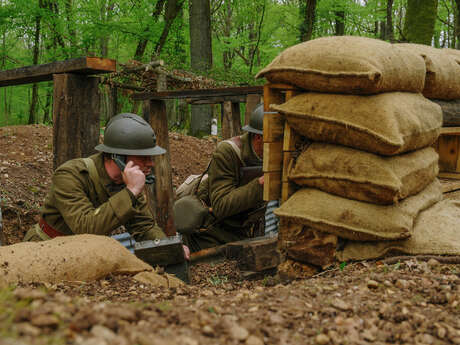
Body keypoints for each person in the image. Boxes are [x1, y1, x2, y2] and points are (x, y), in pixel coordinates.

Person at [23, 113, 178, 248]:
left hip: (86, 254)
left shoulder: (127, 183)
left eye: (150, 157)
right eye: (143, 157)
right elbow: (86, 227)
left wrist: (169, 247)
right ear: (118, 157)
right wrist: (130, 192)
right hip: (44, 249)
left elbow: (144, 227)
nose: (150, 163)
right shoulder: (70, 175)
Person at [185, 104, 266, 252]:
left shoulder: (271, 156)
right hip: (212, 233)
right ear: (259, 137)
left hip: (246, 232)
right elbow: (220, 206)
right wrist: (260, 185)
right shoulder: (228, 152)